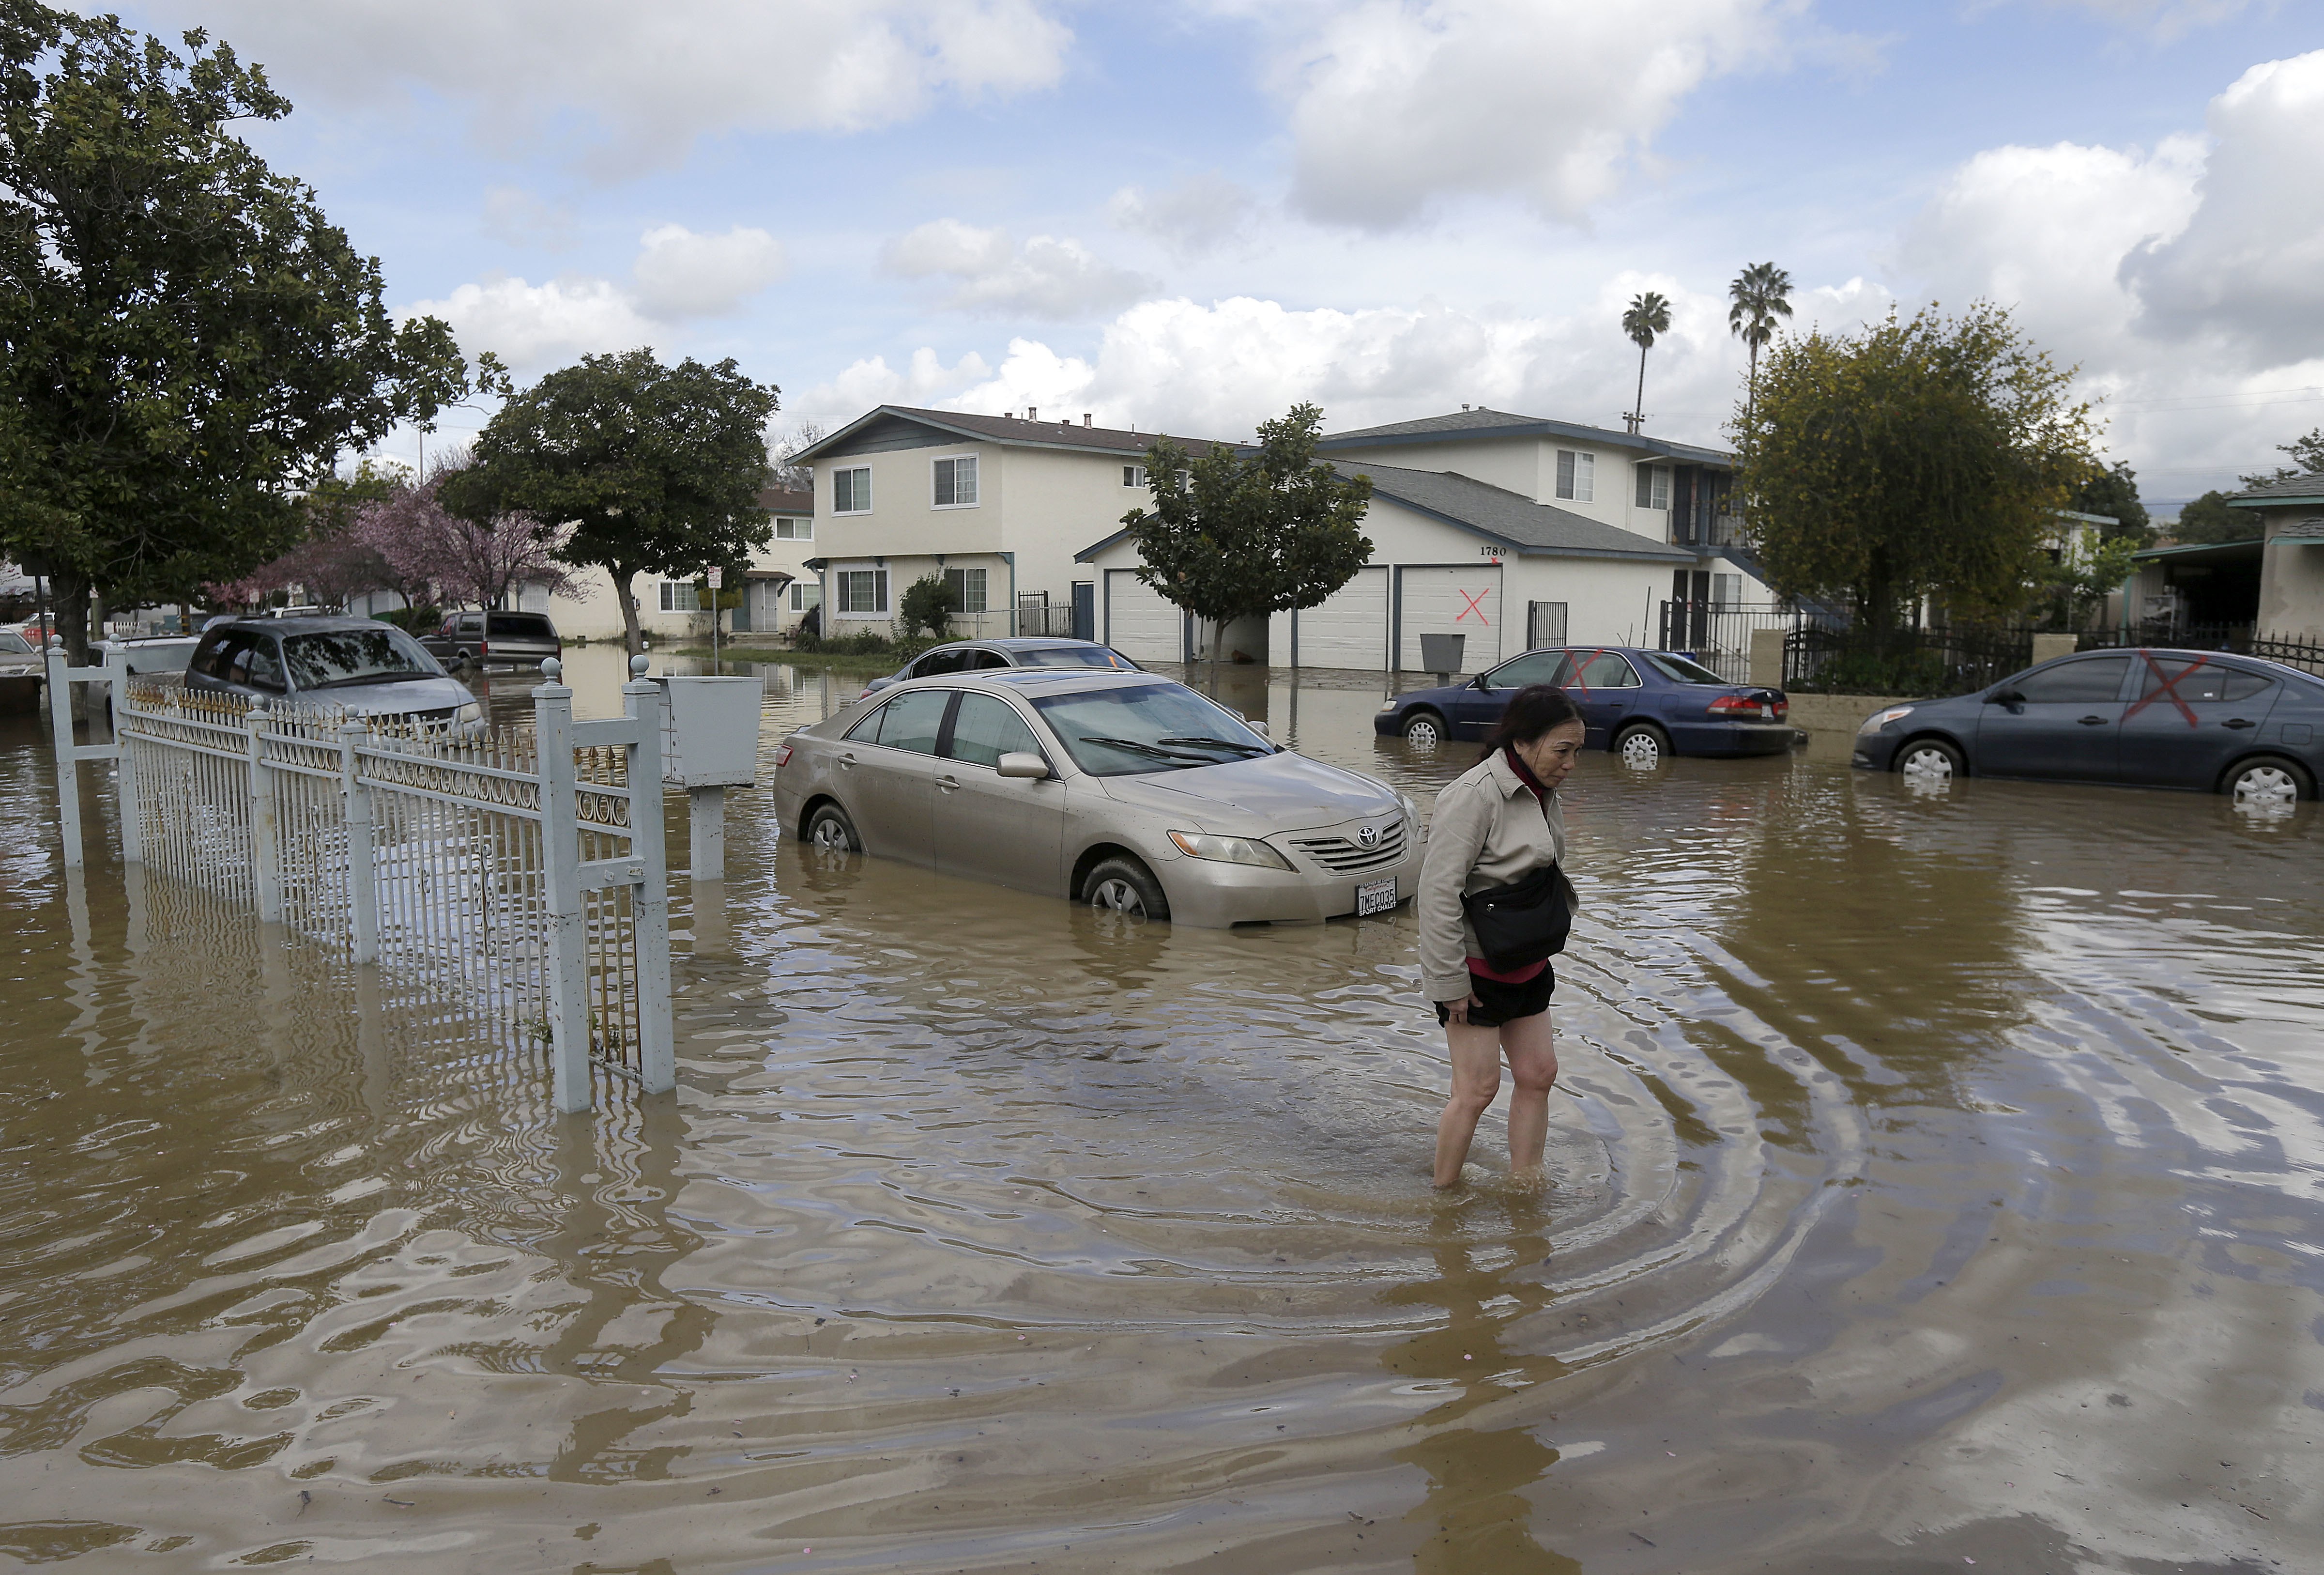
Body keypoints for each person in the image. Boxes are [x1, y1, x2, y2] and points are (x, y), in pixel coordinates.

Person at [1415, 684, 1587, 1189]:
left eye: (1578, 751)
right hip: (1474, 972)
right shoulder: (1472, 797)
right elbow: (1437, 895)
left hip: (1527, 962)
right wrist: (1448, 983)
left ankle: (1526, 1185)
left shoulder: (1540, 789)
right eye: (1563, 750)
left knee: (1539, 1074)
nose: (1571, 763)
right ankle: (1442, 1199)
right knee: (1477, 1089)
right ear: (1525, 741)